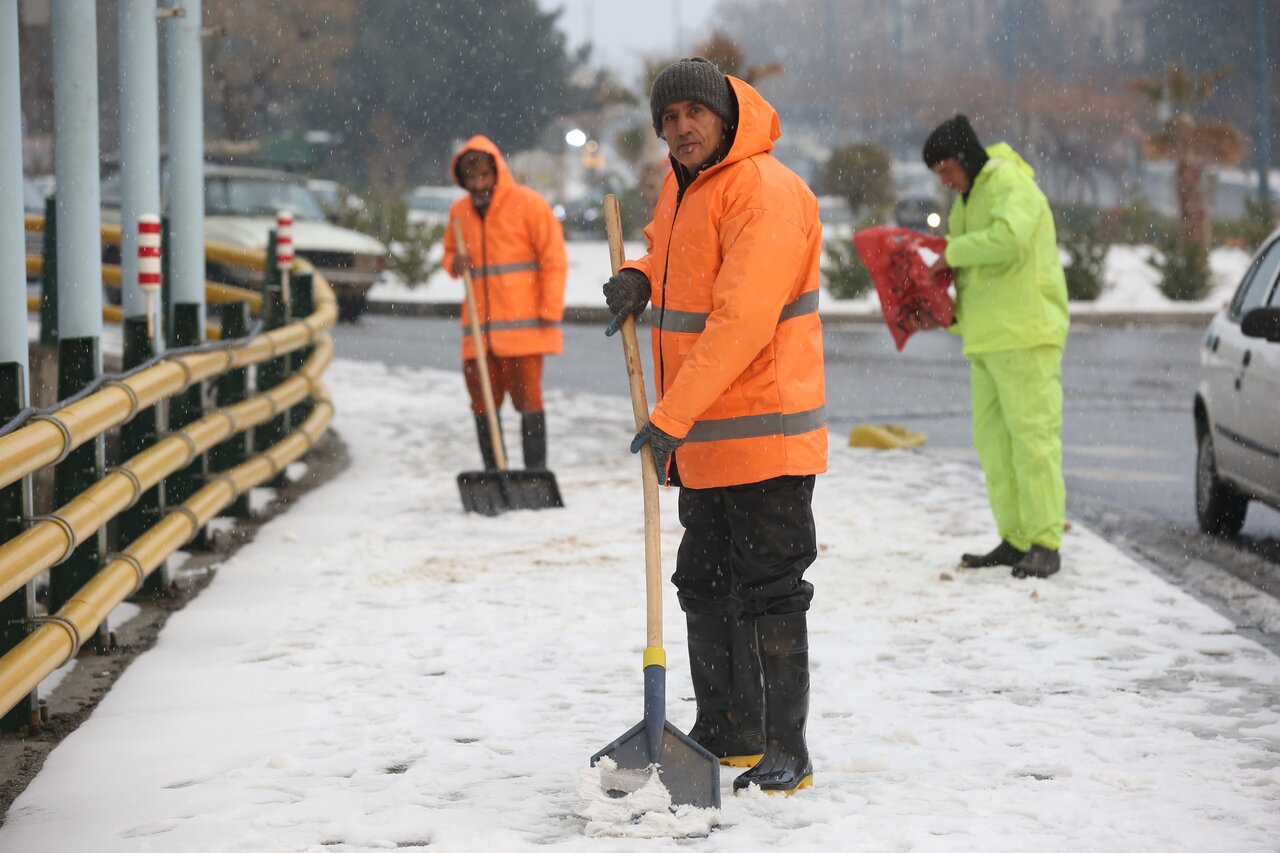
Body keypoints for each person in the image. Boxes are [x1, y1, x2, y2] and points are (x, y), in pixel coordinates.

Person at [602, 57, 827, 794]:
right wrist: (640, 272)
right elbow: (671, 259)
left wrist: (669, 415)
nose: (680, 128)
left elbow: (740, 321)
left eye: (693, 114)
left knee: (771, 590)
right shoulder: (683, 184)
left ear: (725, 117)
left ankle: (785, 746)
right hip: (706, 439)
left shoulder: (765, 191)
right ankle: (728, 728)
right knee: (705, 582)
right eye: (668, 119)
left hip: (765, 434)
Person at [910, 115, 1069, 580]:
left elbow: (1009, 239)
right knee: (996, 446)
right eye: (938, 173)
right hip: (988, 339)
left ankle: (1045, 541)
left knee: (1033, 441)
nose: (944, 180)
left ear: (965, 158)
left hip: (1026, 334)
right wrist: (947, 314)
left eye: (946, 169)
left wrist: (951, 253)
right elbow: (980, 275)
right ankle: (1017, 538)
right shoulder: (968, 200)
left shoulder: (1009, 183)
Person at [442, 136, 567, 471]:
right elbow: (449, 253)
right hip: (478, 334)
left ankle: (534, 472)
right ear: (462, 179)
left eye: (484, 176)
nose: (479, 184)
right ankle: (494, 472)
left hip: (523, 330)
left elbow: (553, 259)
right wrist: (454, 263)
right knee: (482, 404)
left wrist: (549, 310)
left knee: (529, 403)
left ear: (497, 171)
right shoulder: (459, 213)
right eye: (472, 178)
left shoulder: (529, 205)